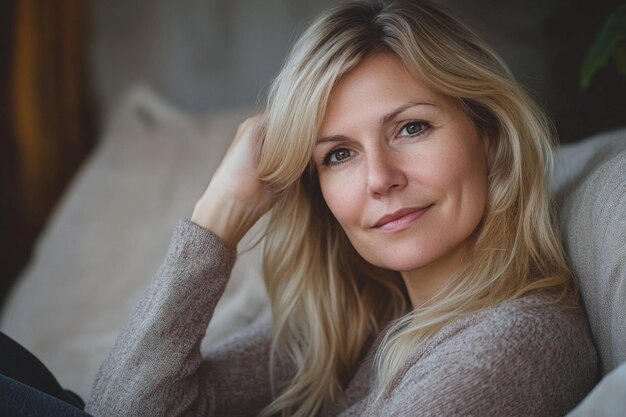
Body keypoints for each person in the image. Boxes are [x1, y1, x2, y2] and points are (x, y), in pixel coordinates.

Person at [79, 0, 597, 416]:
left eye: (411, 127)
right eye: (339, 155)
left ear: (489, 137)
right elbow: (127, 406)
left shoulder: (511, 345)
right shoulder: (359, 319)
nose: (379, 179)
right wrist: (220, 211)